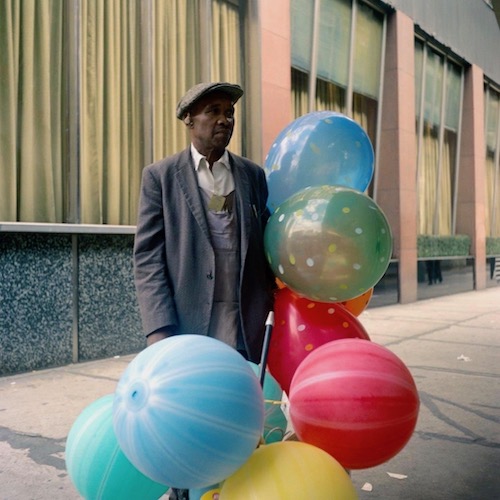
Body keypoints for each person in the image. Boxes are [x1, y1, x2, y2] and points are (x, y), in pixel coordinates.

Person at [133, 82, 275, 500]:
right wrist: (160, 330)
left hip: (243, 323)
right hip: (187, 325)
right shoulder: (160, 177)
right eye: (213, 111)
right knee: (183, 423)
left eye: (229, 112)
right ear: (188, 119)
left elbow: (268, 244)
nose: (225, 119)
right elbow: (147, 258)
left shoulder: (252, 176)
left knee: (238, 420)